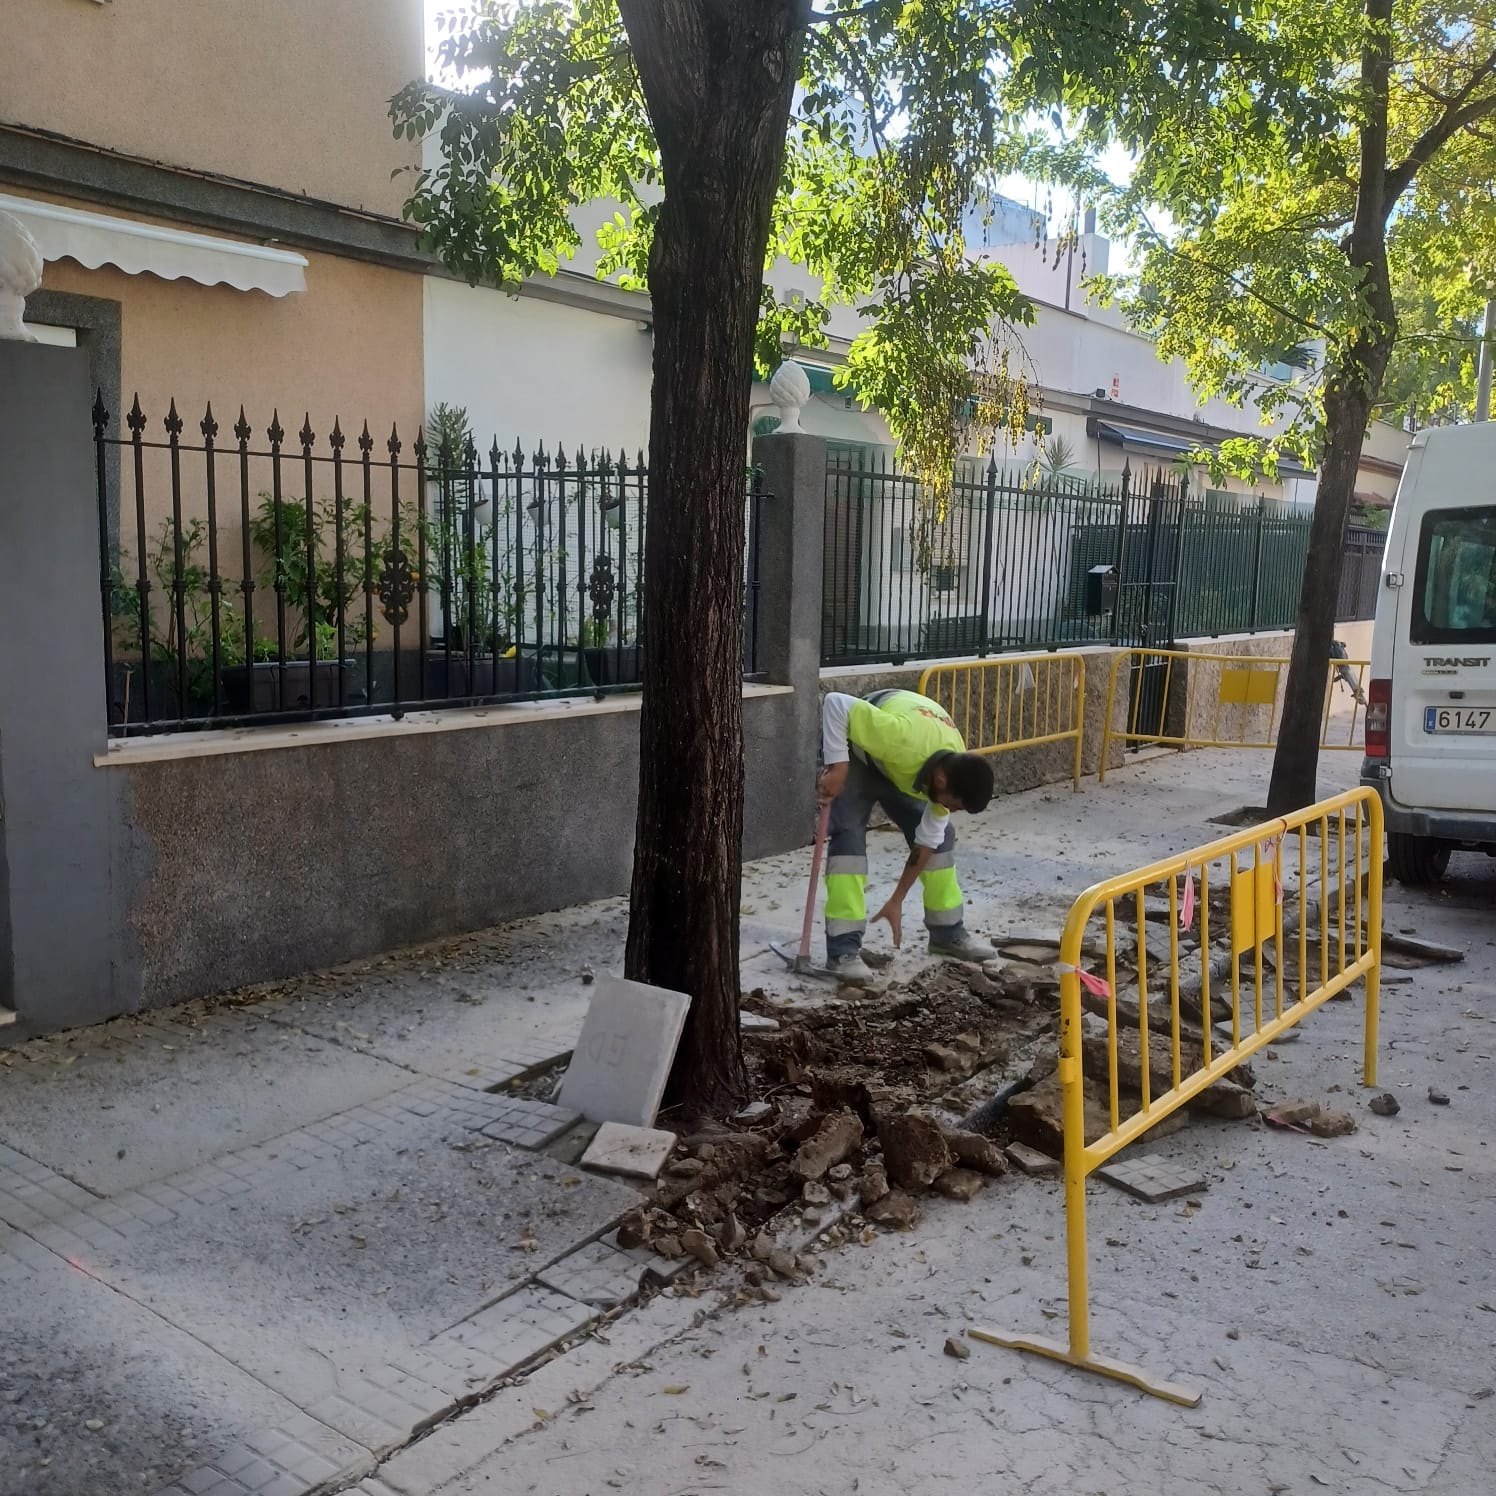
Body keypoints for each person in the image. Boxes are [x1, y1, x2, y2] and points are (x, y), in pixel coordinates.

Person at [817, 688, 998, 985]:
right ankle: (842, 951)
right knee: (848, 842)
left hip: (901, 767)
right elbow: (836, 702)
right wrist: (838, 767)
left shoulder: (955, 765)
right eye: (953, 804)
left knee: (941, 840)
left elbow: (926, 841)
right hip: (859, 752)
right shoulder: (899, 738)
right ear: (940, 780)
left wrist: (896, 899)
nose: (949, 809)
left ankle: (947, 933)